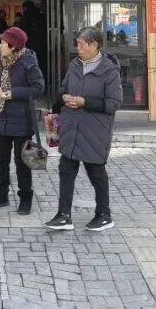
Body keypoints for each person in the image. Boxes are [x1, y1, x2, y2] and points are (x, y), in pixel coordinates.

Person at [45, 27, 122, 232]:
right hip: (71, 128)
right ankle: (63, 215)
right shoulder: (75, 65)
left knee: (96, 173)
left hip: (94, 131)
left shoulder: (109, 71)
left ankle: (104, 215)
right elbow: (63, 88)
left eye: (81, 44)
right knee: (66, 171)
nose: (77, 47)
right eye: (77, 43)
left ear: (94, 45)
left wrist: (84, 102)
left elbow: (113, 103)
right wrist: (64, 97)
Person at [0, 26, 45, 215]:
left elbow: (38, 88)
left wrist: (13, 93)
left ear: (13, 46)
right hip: (1, 117)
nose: (0, 45)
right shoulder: (0, 61)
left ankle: (25, 198)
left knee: (22, 162)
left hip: (21, 120)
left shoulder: (28, 63)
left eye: (3, 43)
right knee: (0, 161)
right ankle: (1, 195)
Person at [18, 0, 48, 76]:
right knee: (41, 64)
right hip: (42, 45)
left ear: (25, 8)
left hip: (30, 46)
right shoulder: (41, 15)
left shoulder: (26, 17)